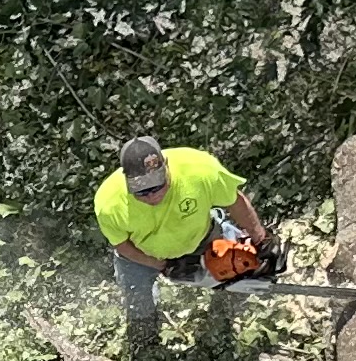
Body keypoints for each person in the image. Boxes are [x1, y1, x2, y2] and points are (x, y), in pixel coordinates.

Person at [95, 134, 269, 349]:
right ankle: (145, 341)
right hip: (140, 256)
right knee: (138, 301)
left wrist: (260, 238)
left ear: (166, 167)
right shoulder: (109, 203)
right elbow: (122, 246)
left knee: (237, 264)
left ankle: (225, 312)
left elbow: (235, 201)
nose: (151, 196)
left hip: (201, 237)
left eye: (157, 186)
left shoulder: (199, 169)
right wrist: (162, 265)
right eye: (142, 191)